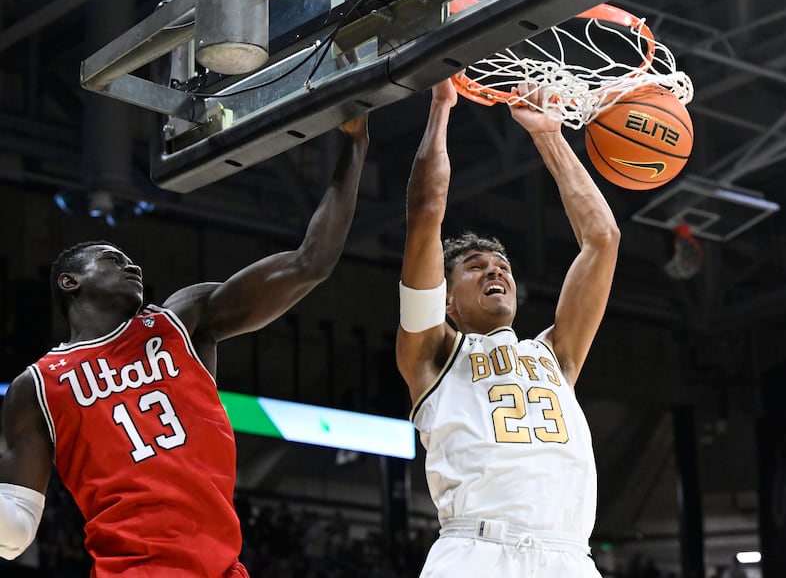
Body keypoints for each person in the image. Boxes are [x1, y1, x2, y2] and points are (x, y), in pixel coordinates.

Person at [0, 116, 369, 577]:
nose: (131, 264)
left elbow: (310, 263)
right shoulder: (35, 387)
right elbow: (13, 534)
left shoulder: (182, 320)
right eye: (113, 259)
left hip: (222, 568)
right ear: (69, 281)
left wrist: (355, 146)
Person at [396, 79, 619, 577]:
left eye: (502, 265)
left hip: (569, 558)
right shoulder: (433, 355)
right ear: (447, 300)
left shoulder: (555, 356)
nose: (496, 270)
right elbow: (427, 211)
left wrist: (548, 136)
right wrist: (440, 105)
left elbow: (602, 239)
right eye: (475, 266)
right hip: (477, 551)